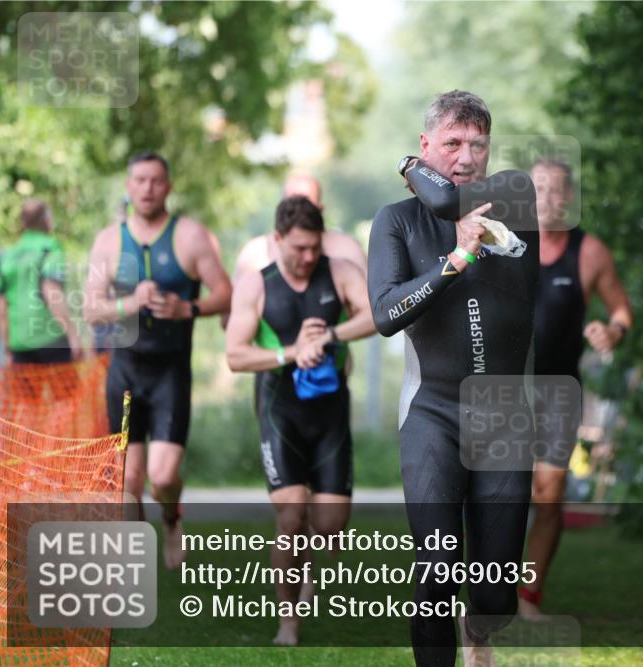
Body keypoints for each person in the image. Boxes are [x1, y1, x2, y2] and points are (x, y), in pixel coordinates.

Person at [368, 90, 539, 667]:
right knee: (437, 570)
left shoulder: (514, 204)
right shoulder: (396, 221)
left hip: (504, 418)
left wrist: (423, 177)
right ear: (425, 145)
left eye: (477, 144)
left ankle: (481, 630)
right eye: (451, 143)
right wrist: (453, 262)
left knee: (493, 596)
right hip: (433, 413)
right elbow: (386, 315)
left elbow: (452, 196)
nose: (466, 156)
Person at [226, 195, 375, 646]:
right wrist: (292, 352)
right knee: (290, 515)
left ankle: (308, 544)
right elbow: (234, 355)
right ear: (278, 240)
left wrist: (329, 336)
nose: (308, 257)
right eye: (298, 249)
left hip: (330, 410)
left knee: (329, 524)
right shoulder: (257, 284)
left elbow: (376, 315)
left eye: (314, 247)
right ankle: (288, 622)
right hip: (279, 409)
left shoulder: (341, 271)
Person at [83, 151, 232, 569]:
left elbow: (226, 293)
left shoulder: (190, 236)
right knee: (129, 479)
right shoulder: (108, 241)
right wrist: (130, 302)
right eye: (140, 180)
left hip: (170, 372)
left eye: (156, 181)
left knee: (163, 477)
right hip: (125, 371)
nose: (147, 188)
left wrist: (189, 310)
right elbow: (91, 310)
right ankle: (134, 557)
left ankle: (171, 520)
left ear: (167, 186)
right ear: (129, 187)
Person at [518, 157, 633, 620]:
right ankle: (489, 593)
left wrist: (613, 332)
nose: (545, 199)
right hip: (504, 390)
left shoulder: (589, 253)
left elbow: (622, 311)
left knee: (548, 494)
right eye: (536, 190)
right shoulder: (503, 245)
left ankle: (528, 598)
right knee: (499, 495)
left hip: (559, 393)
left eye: (554, 190)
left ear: (569, 198)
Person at [232, 173, 366, 284]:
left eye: (307, 205)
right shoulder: (254, 254)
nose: (309, 257)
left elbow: (374, 307)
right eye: (292, 205)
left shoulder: (348, 250)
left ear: (320, 209)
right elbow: (234, 310)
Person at [0, 200, 83, 365]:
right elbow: (52, 292)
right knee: (63, 390)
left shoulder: (8, 256)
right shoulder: (50, 248)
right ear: (47, 220)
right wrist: (73, 335)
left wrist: (7, 347)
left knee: (24, 392)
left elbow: (2, 309)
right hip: (51, 339)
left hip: (19, 343)